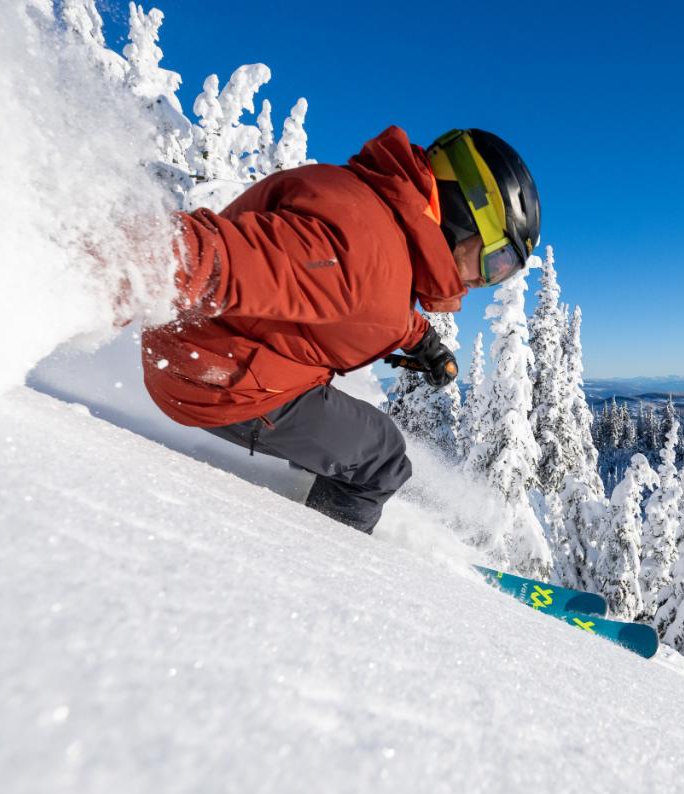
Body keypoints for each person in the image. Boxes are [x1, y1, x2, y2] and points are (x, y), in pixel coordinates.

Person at [140, 126, 540, 534]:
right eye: (496, 262)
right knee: (382, 459)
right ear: (465, 213)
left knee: (352, 436)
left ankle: (310, 501)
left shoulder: (375, 221)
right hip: (213, 379)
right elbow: (225, 260)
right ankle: (328, 564)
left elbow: (362, 300)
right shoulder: (360, 250)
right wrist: (126, 258)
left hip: (213, 353)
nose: (482, 281)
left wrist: (425, 344)